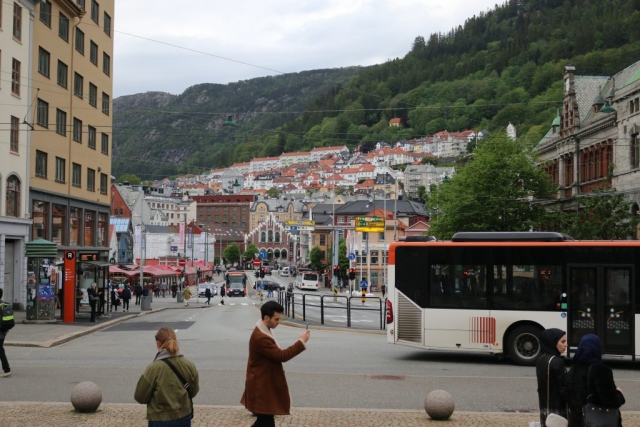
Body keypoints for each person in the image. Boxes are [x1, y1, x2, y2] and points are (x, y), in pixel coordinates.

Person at [241, 301, 310, 427]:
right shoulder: (261, 337)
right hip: (261, 388)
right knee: (266, 422)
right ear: (266, 318)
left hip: (263, 386)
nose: (279, 322)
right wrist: (301, 342)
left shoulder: (264, 330)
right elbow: (282, 356)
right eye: (276, 319)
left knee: (264, 422)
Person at [134, 327, 199, 427]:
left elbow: (140, 396)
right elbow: (194, 391)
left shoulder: (154, 368)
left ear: (158, 345)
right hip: (184, 416)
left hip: (160, 419)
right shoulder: (189, 364)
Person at [567, 334, 625, 427]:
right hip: (597, 422)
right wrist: (619, 394)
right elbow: (610, 401)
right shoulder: (600, 370)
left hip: (577, 421)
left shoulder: (572, 370)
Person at [535, 328, 569, 426]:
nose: (565, 345)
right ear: (553, 342)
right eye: (562, 341)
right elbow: (563, 388)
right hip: (557, 407)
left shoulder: (541, 358)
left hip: (544, 404)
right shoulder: (557, 362)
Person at [0, 289, 11, 377]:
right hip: (3, 331)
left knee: (0, 350)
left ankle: (6, 369)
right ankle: (6, 369)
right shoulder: (4, 305)